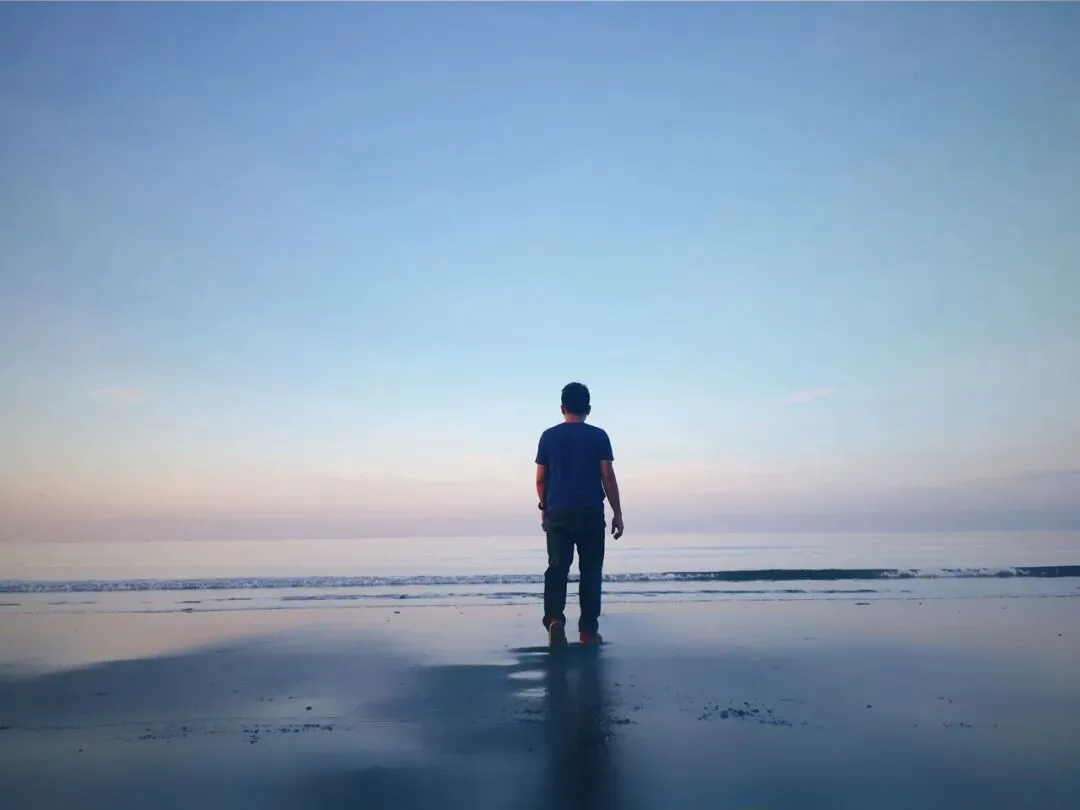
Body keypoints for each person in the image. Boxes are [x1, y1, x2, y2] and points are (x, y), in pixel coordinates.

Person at [535, 382, 624, 647]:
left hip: (558, 512)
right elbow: (607, 476)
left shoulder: (548, 437)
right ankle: (587, 631)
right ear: (589, 409)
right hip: (590, 512)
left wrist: (544, 507)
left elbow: (541, 479)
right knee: (591, 571)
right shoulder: (599, 436)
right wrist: (617, 513)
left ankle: (554, 620)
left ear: (562, 408)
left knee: (557, 567)